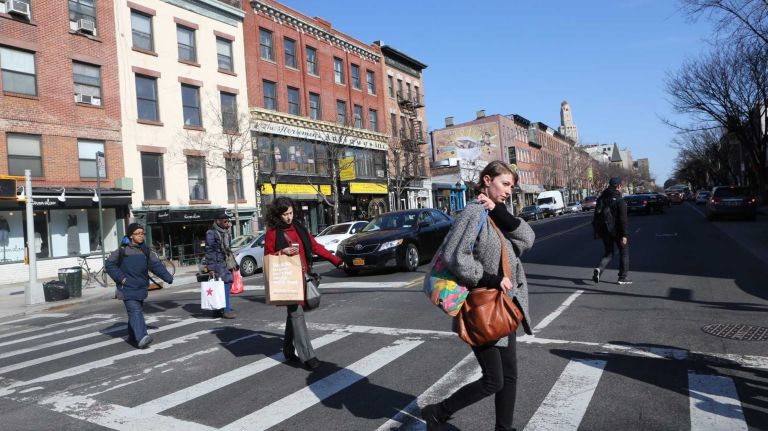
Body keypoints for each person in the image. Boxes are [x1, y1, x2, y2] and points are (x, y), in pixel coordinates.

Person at [421, 160, 535, 431]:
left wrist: (499, 210)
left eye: (511, 186)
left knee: (509, 375)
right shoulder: (473, 212)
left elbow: (527, 240)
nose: (508, 191)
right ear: (487, 180)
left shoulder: (494, 213)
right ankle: (437, 412)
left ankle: (503, 429)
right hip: (482, 307)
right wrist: (491, 279)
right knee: (494, 380)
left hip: (503, 306)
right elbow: (455, 256)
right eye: (504, 184)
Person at [264, 197, 343, 370]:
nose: (289, 217)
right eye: (285, 214)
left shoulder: (299, 227)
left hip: (303, 277)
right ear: (278, 214)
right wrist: (282, 251)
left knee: (293, 315)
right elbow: (268, 256)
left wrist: (336, 260)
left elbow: (315, 247)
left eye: (291, 213)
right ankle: (308, 356)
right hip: (288, 280)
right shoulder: (272, 231)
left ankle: (287, 350)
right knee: (297, 314)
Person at [105, 223, 173, 349]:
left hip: (141, 287)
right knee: (135, 311)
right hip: (126, 288)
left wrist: (168, 277)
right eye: (138, 233)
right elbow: (109, 265)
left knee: (135, 313)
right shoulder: (122, 250)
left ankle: (132, 337)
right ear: (131, 236)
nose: (141, 236)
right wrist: (121, 279)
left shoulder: (146, 251)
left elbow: (156, 265)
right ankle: (142, 337)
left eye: (142, 233)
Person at [592, 176, 631, 285]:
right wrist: (624, 235)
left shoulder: (601, 198)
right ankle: (622, 277)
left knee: (609, 253)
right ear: (618, 186)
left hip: (605, 231)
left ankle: (599, 269)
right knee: (624, 252)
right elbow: (623, 220)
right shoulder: (620, 201)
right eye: (621, 186)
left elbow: (596, 216)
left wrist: (597, 231)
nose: (622, 188)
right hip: (617, 231)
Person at [205, 211, 237, 319]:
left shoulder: (226, 232)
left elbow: (228, 249)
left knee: (223, 285)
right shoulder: (211, 233)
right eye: (225, 221)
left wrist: (234, 263)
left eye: (228, 221)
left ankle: (217, 310)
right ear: (218, 221)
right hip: (217, 263)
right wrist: (210, 268)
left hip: (225, 261)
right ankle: (225, 310)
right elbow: (209, 250)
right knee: (223, 285)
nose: (227, 223)